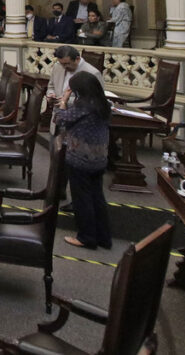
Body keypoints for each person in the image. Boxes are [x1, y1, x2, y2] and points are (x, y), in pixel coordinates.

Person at [54, 72, 112, 250]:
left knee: (82, 199)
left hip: (80, 158)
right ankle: (103, 237)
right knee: (97, 197)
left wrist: (63, 101)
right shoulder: (104, 104)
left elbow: (60, 119)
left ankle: (87, 237)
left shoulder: (82, 106)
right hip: (99, 157)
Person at [47, 45, 104, 112]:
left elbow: (96, 100)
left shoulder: (93, 73)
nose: (64, 66)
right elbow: (51, 86)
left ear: (77, 59)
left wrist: (66, 100)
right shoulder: (58, 66)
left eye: (67, 63)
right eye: (62, 63)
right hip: (57, 115)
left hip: (79, 117)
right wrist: (51, 94)